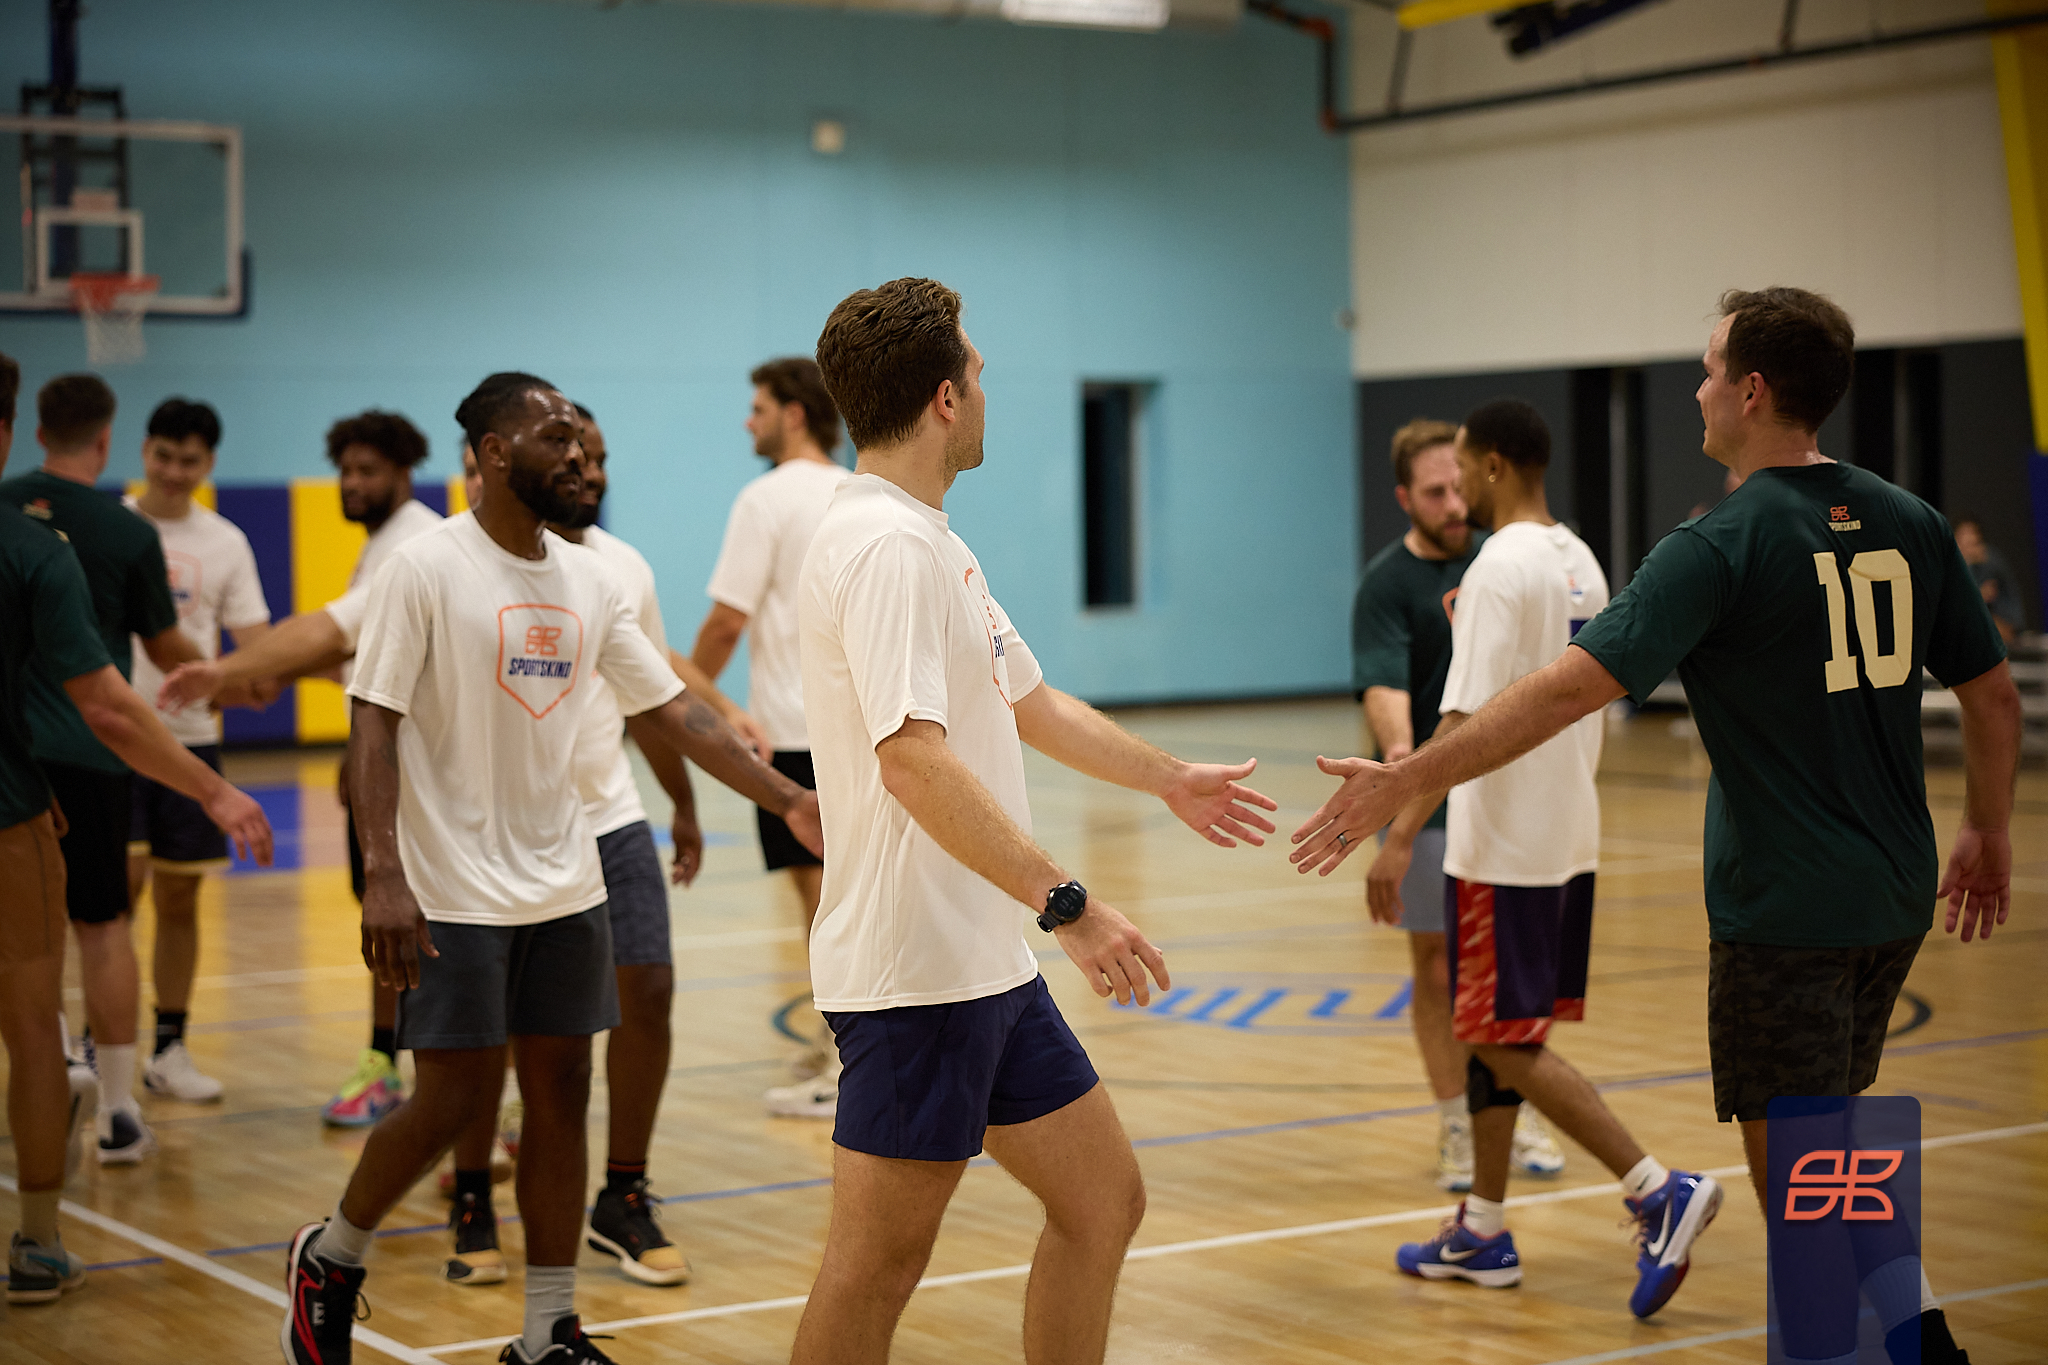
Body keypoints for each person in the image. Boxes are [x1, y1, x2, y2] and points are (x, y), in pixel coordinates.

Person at [1293, 289, 2018, 1359]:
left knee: (1796, 1167)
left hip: (1786, 901)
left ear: (1752, 390)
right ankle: (1912, 1333)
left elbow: (1558, 692)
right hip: (1895, 887)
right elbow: (1992, 696)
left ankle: (1894, 1340)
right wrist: (1986, 828)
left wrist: (1402, 783)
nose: (1698, 388)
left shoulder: (1715, 544)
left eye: (1710, 368)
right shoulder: (1907, 518)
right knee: (1828, 1136)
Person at [790, 278, 1278, 1365]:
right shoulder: (885, 548)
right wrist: (1067, 904)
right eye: (975, 371)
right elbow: (912, 761)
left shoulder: (930, 541)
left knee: (1102, 1202)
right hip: (914, 978)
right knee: (875, 1269)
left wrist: (1169, 778)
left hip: (985, 968)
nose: (983, 387)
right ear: (944, 398)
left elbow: (1031, 702)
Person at [1316, 397, 1721, 1319]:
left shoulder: (1498, 565)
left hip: (1500, 842)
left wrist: (1400, 833)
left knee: (1497, 1038)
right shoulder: (1581, 558)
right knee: (1498, 1031)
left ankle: (1657, 1187)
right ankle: (1484, 1227)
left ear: (1494, 464)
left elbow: (1461, 723)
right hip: (1566, 833)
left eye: (1465, 467)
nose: (1460, 486)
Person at [0, 350, 273, 1306]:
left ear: (36, 433)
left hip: (43, 774)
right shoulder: (62, 544)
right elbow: (117, 699)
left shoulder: (41, 519)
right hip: (44, 786)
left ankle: (147, 1067)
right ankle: (59, 1204)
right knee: (55, 994)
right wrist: (216, 785)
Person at [440, 404, 706, 1291]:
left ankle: (622, 1194)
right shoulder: (457, 563)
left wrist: (683, 802)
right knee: (491, 1032)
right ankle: (472, 1194)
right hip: (497, 832)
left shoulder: (622, 569)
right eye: (569, 449)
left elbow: (654, 701)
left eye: (597, 453)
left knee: (650, 989)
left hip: (609, 814)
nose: (588, 467)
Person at [160, 410, 441, 1127]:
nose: (351, 483)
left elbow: (324, 631)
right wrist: (278, 684)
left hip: (420, 775)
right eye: (344, 470)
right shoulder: (383, 544)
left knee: (409, 921)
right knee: (386, 920)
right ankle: (392, 1061)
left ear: (403, 473)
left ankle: (422, 1071)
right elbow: (351, 656)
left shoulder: (412, 544)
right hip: (385, 764)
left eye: (367, 471)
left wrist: (225, 672)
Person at [0, 372, 208, 1166]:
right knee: (103, 924)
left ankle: (54, 1061)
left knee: (23, 940)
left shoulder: (5, 510)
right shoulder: (126, 531)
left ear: (34, 430)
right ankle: (119, 1109)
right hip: (92, 750)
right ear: (106, 439)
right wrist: (232, 674)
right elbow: (163, 646)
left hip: (13, 753)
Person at [1352, 416, 1564, 1192]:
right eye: (1433, 492)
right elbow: (1385, 687)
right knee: (1438, 964)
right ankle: (1456, 1122)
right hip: (1431, 799)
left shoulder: (1503, 559)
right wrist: (1402, 768)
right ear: (1404, 497)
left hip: (1507, 794)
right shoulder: (1387, 584)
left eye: (1456, 486)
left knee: (1509, 967)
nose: (1451, 503)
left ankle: (1514, 1105)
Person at [689, 357, 848, 1118]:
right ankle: (851, 1049)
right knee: (851, 900)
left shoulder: (766, 498)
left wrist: (686, 695)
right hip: (858, 734)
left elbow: (727, 620)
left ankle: (849, 1067)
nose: (747, 421)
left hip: (792, 737)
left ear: (794, 413)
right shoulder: (861, 491)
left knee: (824, 908)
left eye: (758, 408)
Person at [123, 397, 273, 1103]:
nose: (174, 472)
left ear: (209, 463)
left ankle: (168, 1046)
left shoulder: (226, 542)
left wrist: (241, 685)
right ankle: (96, 1047)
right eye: (164, 456)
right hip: (115, 741)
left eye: (189, 460)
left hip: (194, 743)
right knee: (111, 901)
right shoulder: (112, 527)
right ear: (143, 450)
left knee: (179, 899)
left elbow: (258, 651)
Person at [1952, 515, 2024, 644]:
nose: (1969, 538)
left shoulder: (1990, 561)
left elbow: (1994, 596)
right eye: (1964, 534)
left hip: (2000, 624)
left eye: (1972, 533)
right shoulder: (1952, 563)